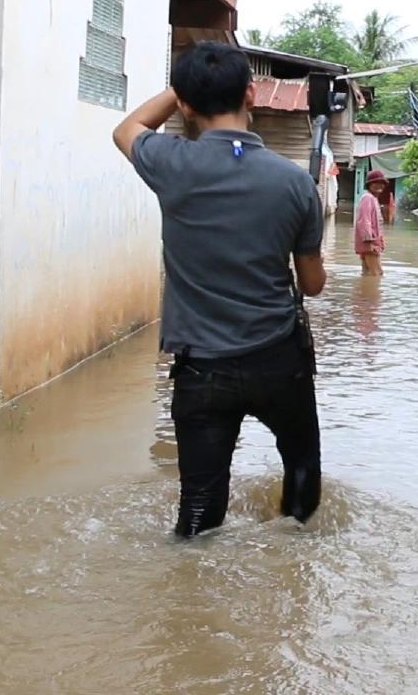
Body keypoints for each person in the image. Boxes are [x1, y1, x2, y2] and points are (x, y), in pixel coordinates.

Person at [112, 40, 326, 536]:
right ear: (251, 94)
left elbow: (127, 129)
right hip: (279, 361)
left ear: (185, 104)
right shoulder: (294, 183)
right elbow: (312, 286)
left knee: (199, 509)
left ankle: (187, 600)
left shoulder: (172, 164)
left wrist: (183, 88)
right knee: (300, 482)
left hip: (201, 369)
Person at [355, 169, 386, 277]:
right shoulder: (368, 198)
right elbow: (364, 221)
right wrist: (368, 241)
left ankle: (365, 293)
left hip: (371, 244)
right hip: (369, 244)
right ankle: (371, 293)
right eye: (375, 183)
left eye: (381, 183)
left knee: (368, 274)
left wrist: (380, 240)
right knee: (377, 274)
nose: (379, 185)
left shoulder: (372, 199)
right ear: (369, 185)